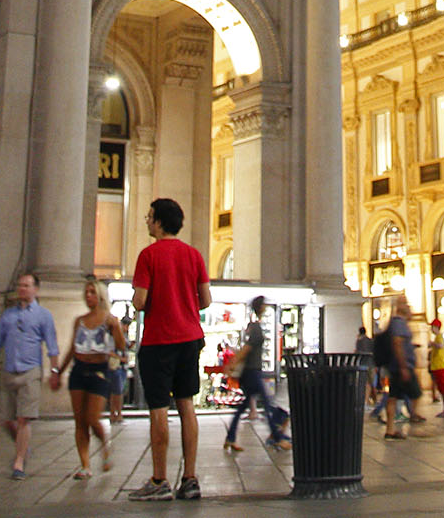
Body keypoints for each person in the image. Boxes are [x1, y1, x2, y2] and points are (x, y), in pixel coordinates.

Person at [129, 197, 211, 502]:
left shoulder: (148, 256)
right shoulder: (194, 255)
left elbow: (139, 301)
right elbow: (205, 300)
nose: (147, 221)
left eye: (149, 217)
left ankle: (160, 479)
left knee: (159, 408)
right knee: (187, 405)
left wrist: (151, 301)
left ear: (160, 221)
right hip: (190, 339)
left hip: (158, 341)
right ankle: (190, 479)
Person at [0, 271, 64, 481]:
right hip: (10, 370)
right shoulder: (8, 315)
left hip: (31, 371)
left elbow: (52, 347)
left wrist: (55, 372)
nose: (22, 289)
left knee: (23, 418)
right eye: (20, 285)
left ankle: (19, 462)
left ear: (35, 289)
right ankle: (23, 446)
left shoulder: (43, 315)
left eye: (27, 285)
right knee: (5, 419)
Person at [59, 277, 127, 476]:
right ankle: (85, 465)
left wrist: (116, 330)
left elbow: (121, 346)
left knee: (92, 418)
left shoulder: (109, 320)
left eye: (92, 293)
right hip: (79, 370)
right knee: (79, 420)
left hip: (99, 370)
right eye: (86, 293)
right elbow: (72, 349)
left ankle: (105, 445)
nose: (88, 296)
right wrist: (59, 372)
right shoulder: (79, 321)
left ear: (100, 296)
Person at [223, 294, 289, 453]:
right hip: (252, 372)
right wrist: (233, 363)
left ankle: (230, 438)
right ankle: (278, 438)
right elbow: (246, 350)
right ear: (260, 307)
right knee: (266, 404)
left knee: (243, 407)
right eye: (264, 305)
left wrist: (233, 364)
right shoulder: (257, 328)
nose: (266, 307)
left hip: (250, 372)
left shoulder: (253, 326)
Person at [380, 295, 422, 438]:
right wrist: (403, 366)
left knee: (393, 397)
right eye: (404, 303)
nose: (407, 305)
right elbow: (397, 344)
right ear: (398, 306)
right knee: (416, 392)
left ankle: (390, 430)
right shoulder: (398, 323)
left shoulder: (400, 322)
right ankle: (413, 415)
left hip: (397, 366)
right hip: (402, 366)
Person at [426, 320, 444, 417]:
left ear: (436, 327)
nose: (431, 329)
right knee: (442, 389)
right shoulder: (437, 337)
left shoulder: (439, 337)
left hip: (440, 366)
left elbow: (440, 346)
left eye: (432, 327)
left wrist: (432, 344)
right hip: (437, 366)